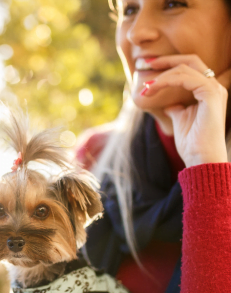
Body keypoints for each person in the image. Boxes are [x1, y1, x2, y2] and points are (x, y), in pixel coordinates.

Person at [75, 0, 231, 292]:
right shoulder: (93, 156)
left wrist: (205, 168)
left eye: (173, 4)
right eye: (130, 10)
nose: (136, 33)